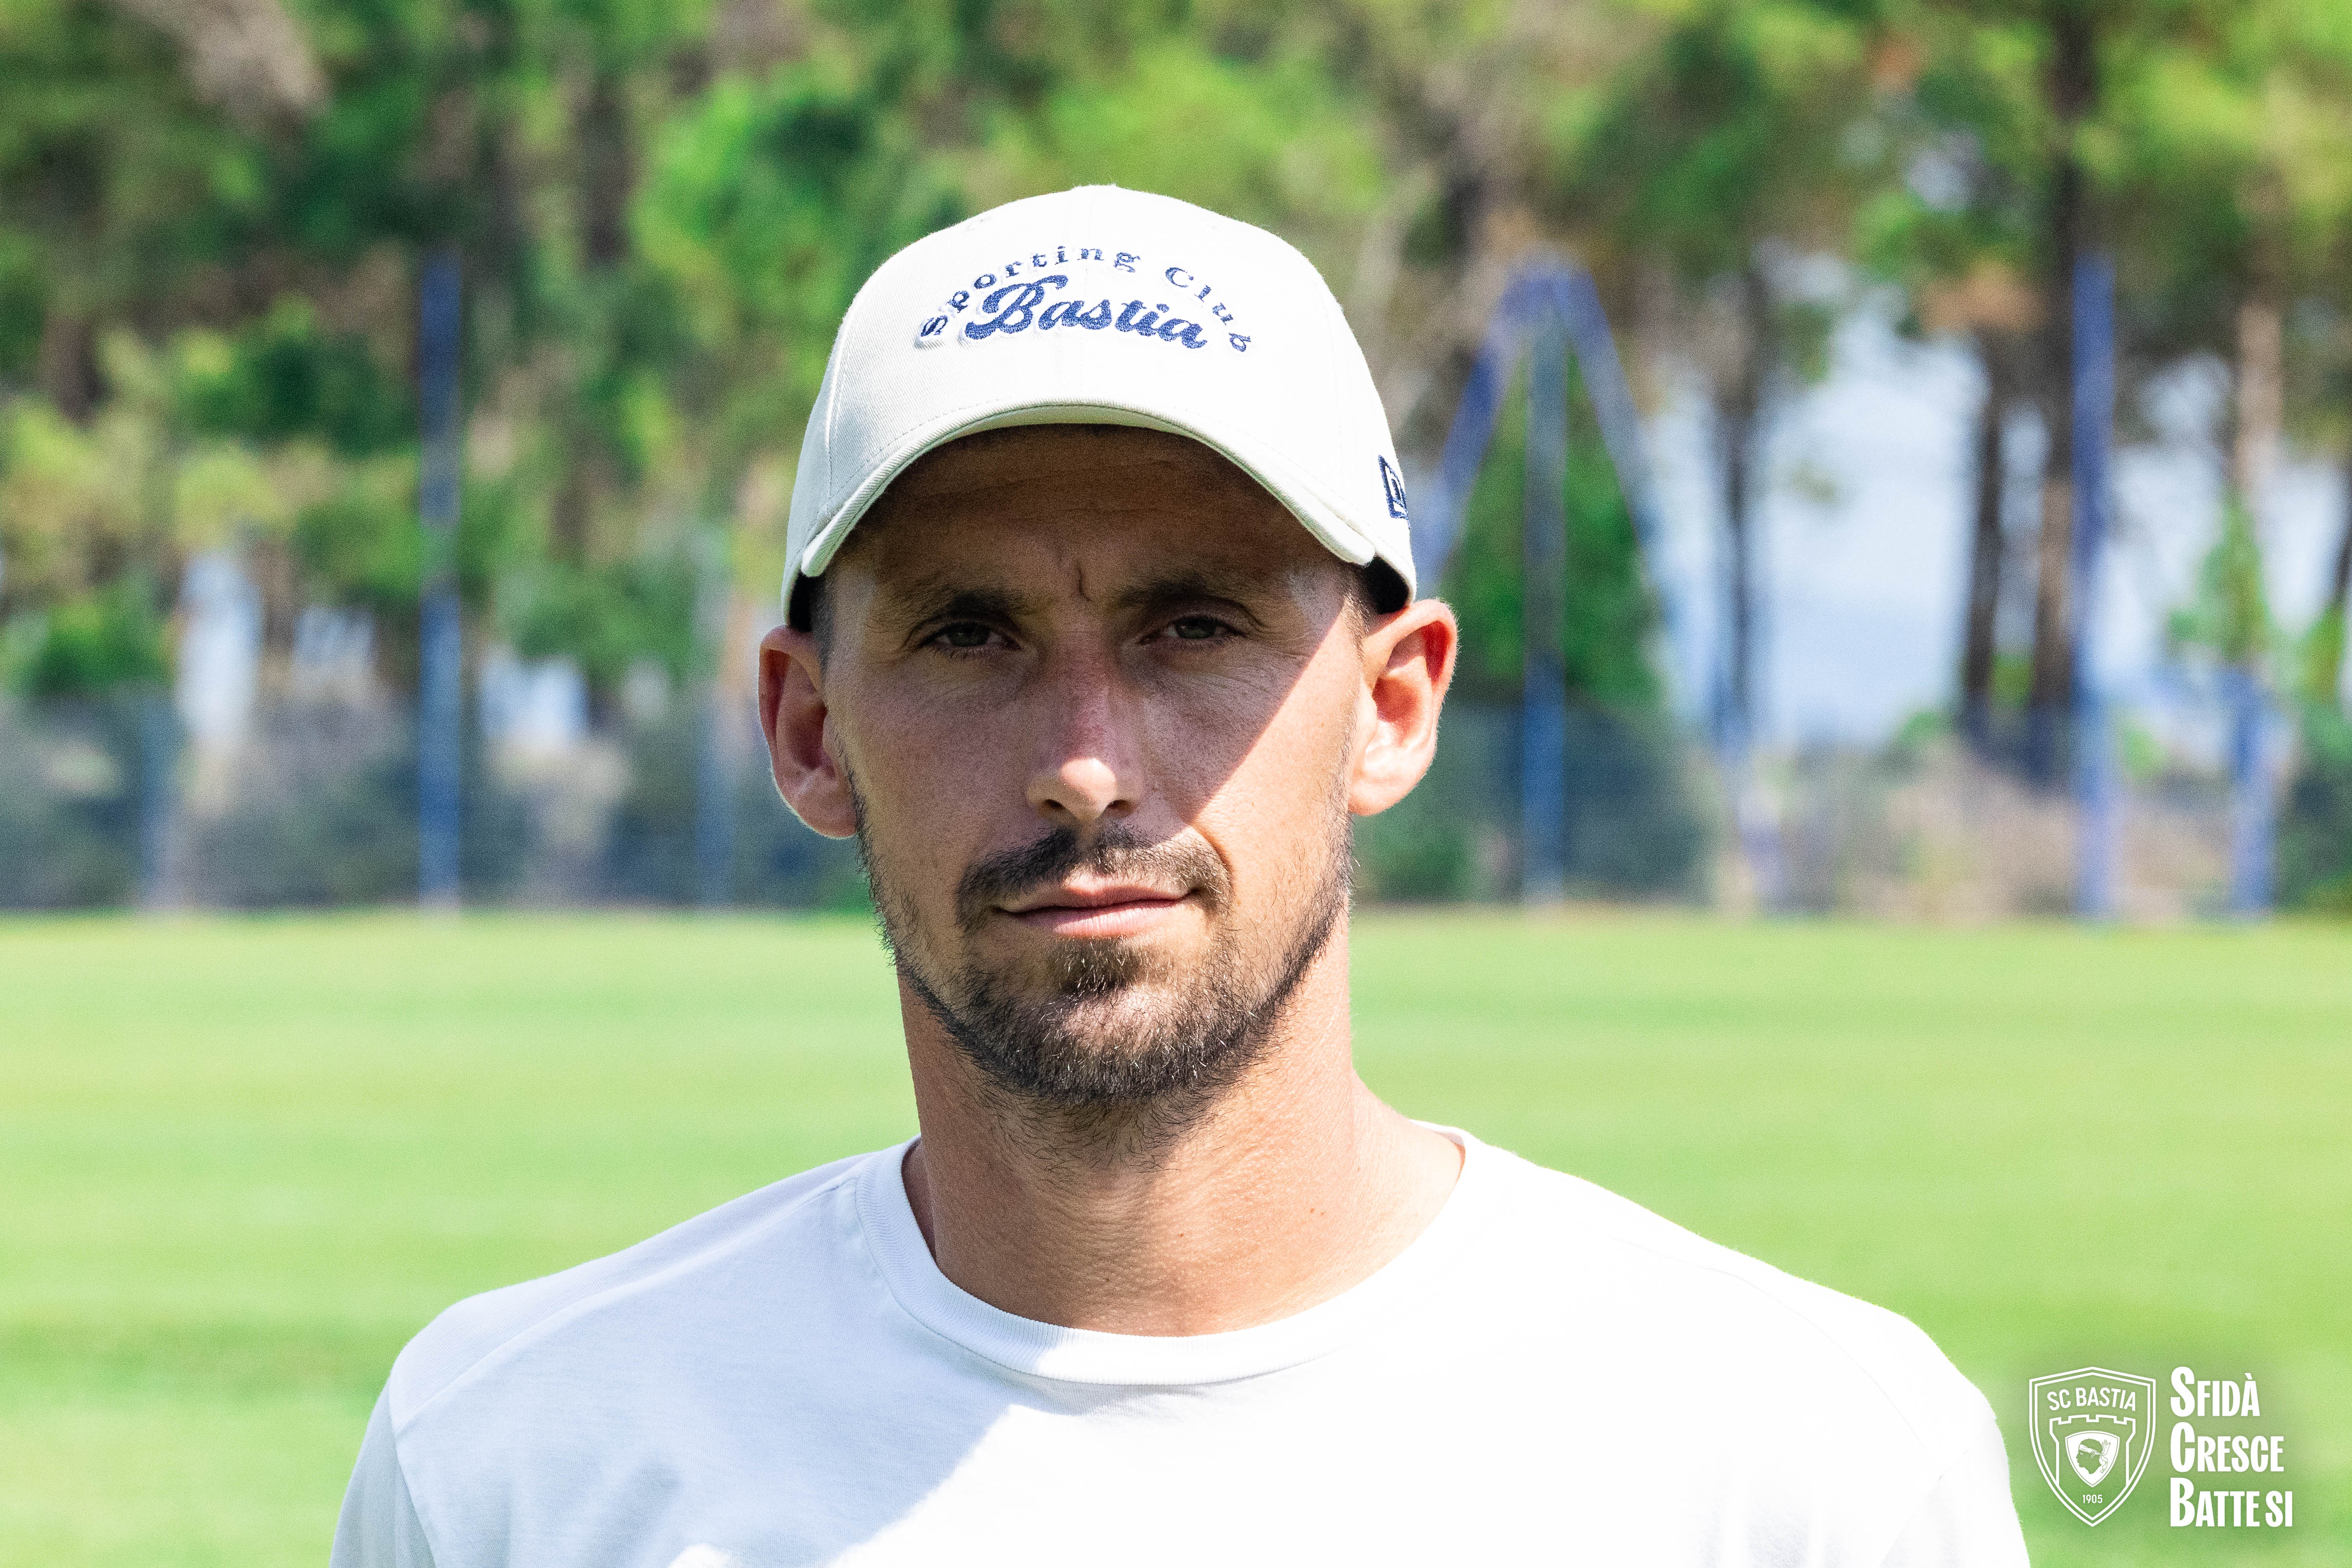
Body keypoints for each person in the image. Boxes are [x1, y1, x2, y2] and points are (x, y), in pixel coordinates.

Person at [333, 185, 2028, 1568]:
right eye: (969, 631)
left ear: (1392, 703)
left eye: (1194, 626)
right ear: (807, 728)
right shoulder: (516, 1462)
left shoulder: (1808, 1470)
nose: (1086, 757)